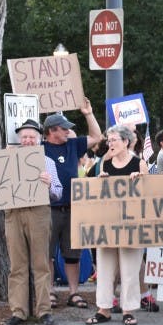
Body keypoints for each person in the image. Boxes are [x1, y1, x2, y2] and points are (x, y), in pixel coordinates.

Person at [84, 125, 149, 325]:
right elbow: (93, 191)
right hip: (108, 224)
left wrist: (140, 180)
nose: (110, 143)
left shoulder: (139, 164)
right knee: (105, 269)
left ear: (126, 141)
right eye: (109, 140)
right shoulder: (105, 163)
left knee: (130, 270)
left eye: (114, 140)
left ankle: (128, 310)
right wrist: (100, 181)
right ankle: (103, 309)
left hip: (132, 225)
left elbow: (151, 193)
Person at [2, 119, 63, 325]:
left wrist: (48, 185)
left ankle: (44, 311)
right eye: (24, 137)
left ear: (39, 139)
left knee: (41, 264)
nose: (28, 140)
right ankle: (18, 311)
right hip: (14, 213)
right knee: (17, 265)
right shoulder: (6, 160)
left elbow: (58, 192)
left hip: (38, 213)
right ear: (20, 139)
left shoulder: (47, 162)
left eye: (31, 137)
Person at [43, 100, 102, 310]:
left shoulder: (72, 145)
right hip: (48, 209)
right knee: (47, 253)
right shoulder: (39, 149)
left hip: (72, 207)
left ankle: (73, 292)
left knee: (72, 254)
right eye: (64, 128)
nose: (68, 131)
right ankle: (49, 292)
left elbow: (97, 137)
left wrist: (88, 113)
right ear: (52, 131)